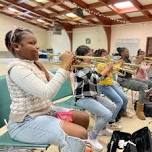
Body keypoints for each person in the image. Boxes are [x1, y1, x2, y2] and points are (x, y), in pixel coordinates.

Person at [5, 28, 90, 152]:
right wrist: (63, 66)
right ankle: (74, 145)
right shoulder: (17, 68)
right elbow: (47, 93)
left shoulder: (36, 64)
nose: (37, 46)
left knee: (83, 117)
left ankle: (72, 146)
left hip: (44, 112)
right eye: (32, 43)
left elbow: (55, 81)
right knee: (80, 133)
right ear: (17, 46)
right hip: (24, 123)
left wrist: (68, 67)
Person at [73, 45, 116, 151]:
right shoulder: (80, 68)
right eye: (89, 55)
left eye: (92, 54)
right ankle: (91, 137)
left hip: (93, 95)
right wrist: (106, 69)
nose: (92, 57)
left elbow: (98, 76)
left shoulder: (89, 66)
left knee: (112, 106)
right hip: (82, 98)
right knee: (107, 114)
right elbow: (95, 80)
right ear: (81, 57)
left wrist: (108, 71)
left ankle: (103, 129)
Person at [94, 49, 130, 123]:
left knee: (124, 98)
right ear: (99, 56)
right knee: (119, 101)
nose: (107, 56)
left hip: (110, 83)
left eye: (107, 54)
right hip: (103, 85)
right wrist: (119, 64)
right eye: (104, 55)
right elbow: (112, 69)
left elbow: (113, 70)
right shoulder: (100, 64)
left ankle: (120, 114)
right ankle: (111, 121)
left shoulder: (106, 62)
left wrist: (118, 64)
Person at [116, 47, 150, 120]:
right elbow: (131, 69)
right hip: (123, 80)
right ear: (122, 53)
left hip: (129, 78)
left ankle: (144, 100)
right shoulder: (120, 61)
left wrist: (140, 61)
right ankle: (139, 111)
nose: (128, 53)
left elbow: (133, 70)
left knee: (149, 83)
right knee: (143, 86)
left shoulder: (128, 59)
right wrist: (138, 61)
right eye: (127, 52)